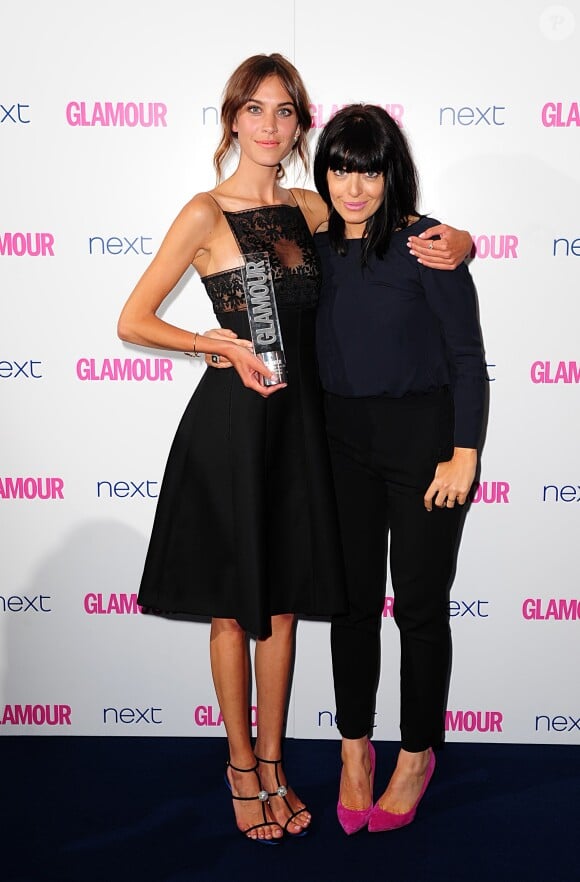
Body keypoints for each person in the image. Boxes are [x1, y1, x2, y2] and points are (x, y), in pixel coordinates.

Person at [118, 53, 472, 843]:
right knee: (233, 605)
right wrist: (209, 344)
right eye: (257, 110)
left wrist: (463, 240)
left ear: (299, 125)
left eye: (286, 113)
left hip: (305, 428)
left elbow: (388, 216)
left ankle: (276, 763)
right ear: (233, 118)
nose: (271, 126)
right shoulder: (205, 212)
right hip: (233, 429)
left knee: (280, 605)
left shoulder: (311, 207)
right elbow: (132, 320)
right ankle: (241, 767)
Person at [312, 104, 486, 834]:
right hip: (338, 444)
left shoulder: (427, 246)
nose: (354, 187)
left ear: (392, 173)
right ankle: (355, 751)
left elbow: (467, 357)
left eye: (369, 170)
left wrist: (465, 453)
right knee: (351, 605)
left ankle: (415, 756)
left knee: (417, 608)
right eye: (341, 169)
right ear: (323, 171)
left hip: (423, 447)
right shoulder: (312, 245)